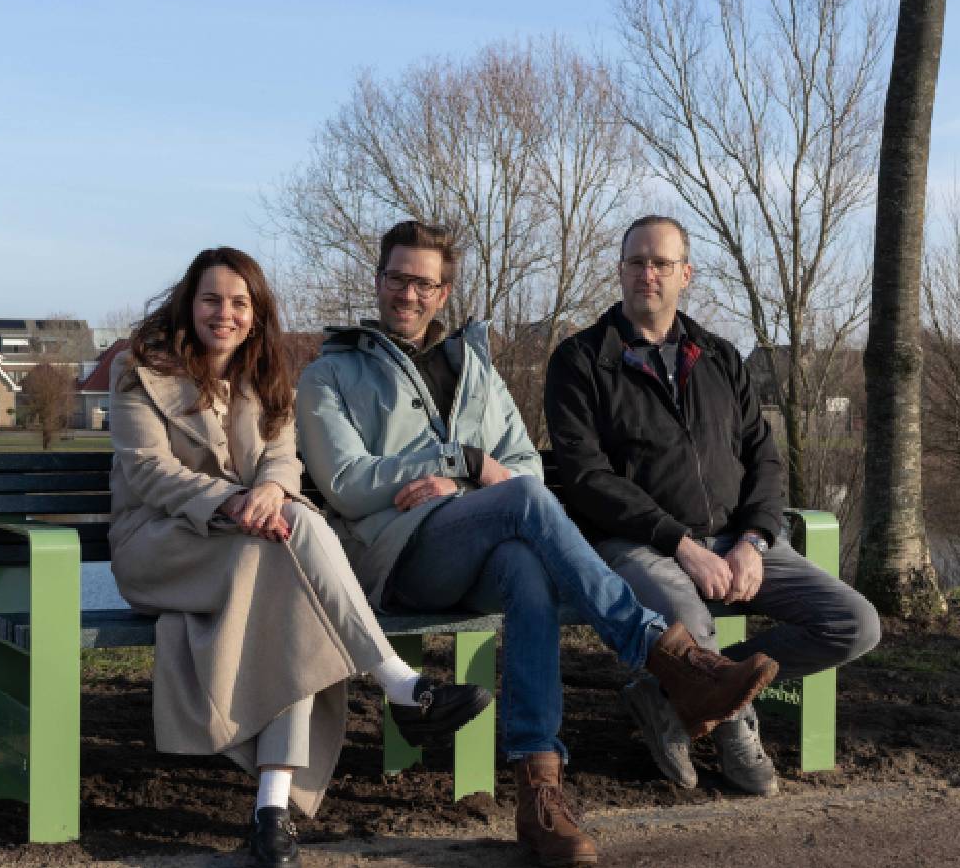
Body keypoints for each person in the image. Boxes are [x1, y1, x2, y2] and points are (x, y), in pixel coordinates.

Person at [295, 220, 780, 867]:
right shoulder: (332, 372)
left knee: (527, 566)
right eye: (397, 278)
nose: (407, 294)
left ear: (444, 293)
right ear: (378, 281)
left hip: (487, 546)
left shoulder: (476, 369)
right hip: (397, 555)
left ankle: (539, 794)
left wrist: (483, 479)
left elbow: (521, 463)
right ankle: (668, 660)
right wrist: (458, 461)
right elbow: (348, 483)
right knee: (522, 506)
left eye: (424, 283)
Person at [109, 246, 492, 867]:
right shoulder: (142, 372)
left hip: (250, 543)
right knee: (298, 550)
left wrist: (269, 489)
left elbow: (283, 457)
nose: (224, 313)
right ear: (190, 302)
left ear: (257, 314)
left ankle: (271, 813)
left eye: (239, 302)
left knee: (296, 589)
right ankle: (395, 682)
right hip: (161, 546)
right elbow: (150, 473)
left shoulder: (269, 376)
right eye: (212, 299)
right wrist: (237, 502)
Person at [544, 215, 882, 798]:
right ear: (620, 270)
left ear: (686, 275)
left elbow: (765, 462)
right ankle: (731, 724)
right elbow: (584, 477)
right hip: (640, 545)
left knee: (854, 624)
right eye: (635, 262)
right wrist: (682, 544)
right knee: (692, 627)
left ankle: (671, 696)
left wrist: (754, 541)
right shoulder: (579, 360)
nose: (646, 273)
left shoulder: (721, 357)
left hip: (738, 539)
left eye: (661, 263)